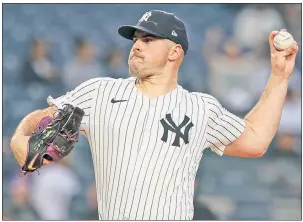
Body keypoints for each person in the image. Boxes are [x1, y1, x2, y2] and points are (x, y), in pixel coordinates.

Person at [10, 9, 299, 220]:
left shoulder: (201, 108)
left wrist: (279, 75)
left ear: (174, 53)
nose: (136, 45)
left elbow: (256, 140)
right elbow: (38, 129)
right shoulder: (98, 93)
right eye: (135, 39)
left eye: (148, 40)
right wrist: (20, 137)